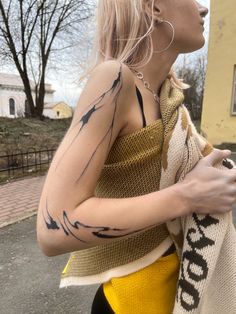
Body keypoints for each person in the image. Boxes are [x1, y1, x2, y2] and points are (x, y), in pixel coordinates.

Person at [36, 0, 236, 313]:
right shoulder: (115, 79)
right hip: (130, 302)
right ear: (154, 8)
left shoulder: (168, 96)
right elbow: (53, 228)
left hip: (174, 293)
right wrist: (188, 196)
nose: (203, 8)